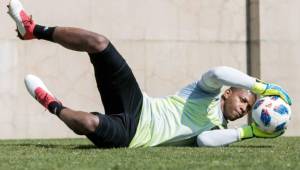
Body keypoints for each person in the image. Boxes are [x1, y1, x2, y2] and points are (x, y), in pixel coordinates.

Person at [7, 0, 292, 148]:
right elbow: (218, 71)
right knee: (100, 43)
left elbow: (205, 142)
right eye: (244, 100)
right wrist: (262, 86)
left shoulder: (220, 132)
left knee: (89, 123)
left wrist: (252, 132)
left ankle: (51, 103)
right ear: (228, 91)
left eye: (248, 109)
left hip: (132, 136)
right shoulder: (206, 90)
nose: (243, 109)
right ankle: (33, 30)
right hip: (139, 104)